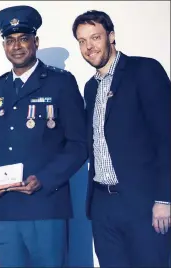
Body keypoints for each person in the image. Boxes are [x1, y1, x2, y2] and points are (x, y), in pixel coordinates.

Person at [0, 5, 88, 267]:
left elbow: (79, 145)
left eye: (23, 38)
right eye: (10, 40)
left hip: (45, 206)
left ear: (36, 42)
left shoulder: (60, 82)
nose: (16, 46)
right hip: (5, 209)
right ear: (4, 45)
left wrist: (43, 180)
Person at [72, 10, 171, 267]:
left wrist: (164, 198)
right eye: (82, 41)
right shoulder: (90, 88)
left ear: (111, 36)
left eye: (95, 37)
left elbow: (166, 137)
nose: (89, 47)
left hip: (144, 203)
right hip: (103, 205)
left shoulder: (144, 70)